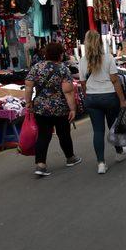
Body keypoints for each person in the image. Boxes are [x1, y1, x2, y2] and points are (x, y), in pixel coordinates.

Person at [25, 42, 81, 177]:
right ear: (60, 54)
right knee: (64, 133)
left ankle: (40, 164)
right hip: (60, 108)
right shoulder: (63, 69)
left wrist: (28, 103)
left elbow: (28, 86)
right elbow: (68, 91)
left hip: (40, 108)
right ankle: (70, 158)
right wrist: (72, 109)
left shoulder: (37, 67)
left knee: (43, 135)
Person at [79, 31, 126, 174]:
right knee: (113, 126)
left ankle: (101, 163)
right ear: (100, 42)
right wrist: (122, 101)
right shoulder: (108, 58)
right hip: (108, 96)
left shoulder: (82, 61)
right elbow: (115, 81)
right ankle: (119, 152)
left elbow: (83, 84)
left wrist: (88, 97)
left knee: (98, 131)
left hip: (92, 98)